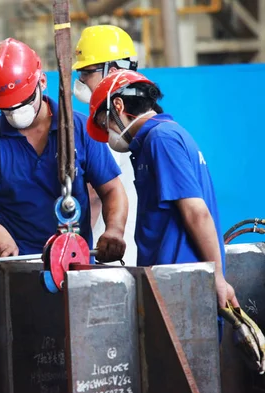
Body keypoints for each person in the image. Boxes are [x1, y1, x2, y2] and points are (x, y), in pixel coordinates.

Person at [0, 38, 128, 263]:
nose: (17, 113)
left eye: (24, 101)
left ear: (42, 81)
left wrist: (114, 230)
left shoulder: (79, 130)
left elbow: (112, 190)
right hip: (18, 265)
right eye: (7, 108)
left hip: (75, 264)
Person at [85, 69, 239, 310]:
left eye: (105, 122)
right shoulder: (152, 141)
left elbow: (196, 213)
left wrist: (217, 277)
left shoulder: (162, 139)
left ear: (118, 104)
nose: (108, 133)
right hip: (170, 285)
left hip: (184, 287)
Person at [73, 24, 140, 266]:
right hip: (127, 251)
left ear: (111, 70)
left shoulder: (111, 126)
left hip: (110, 254)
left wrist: (71, 251)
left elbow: (93, 197)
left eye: (86, 73)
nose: (80, 82)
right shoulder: (133, 117)